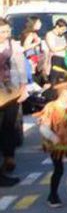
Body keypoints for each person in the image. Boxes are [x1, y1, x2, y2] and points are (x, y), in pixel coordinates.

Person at [36, 78, 67, 207]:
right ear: (64, 91)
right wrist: (52, 136)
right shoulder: (51, 107)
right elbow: (43, 126)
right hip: (57, 146)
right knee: (58, 169)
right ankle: (52, 196)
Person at [0, 17, 30, 186]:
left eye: (7, 31)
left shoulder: (13, 46)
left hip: (10, 92)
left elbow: (20, 67)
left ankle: (8, 159)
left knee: (9, 127)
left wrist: (23, 88)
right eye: (2, 31)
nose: (6, 34)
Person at [20, 17, 46, 83]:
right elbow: (25, 47)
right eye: (39, 22)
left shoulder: (33, 33)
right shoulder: (30, 34)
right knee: (33, 79)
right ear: (33, 23)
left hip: (35, 59)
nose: (41, 24)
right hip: (31, 60)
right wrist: (36, 43)